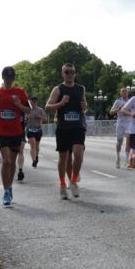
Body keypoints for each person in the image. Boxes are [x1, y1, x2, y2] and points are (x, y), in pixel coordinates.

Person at [45, 63, 87, 199]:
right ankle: (63, 184)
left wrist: (85, 106)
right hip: (63, 128)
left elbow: (84, 107)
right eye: (67, 72)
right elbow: (48, 107)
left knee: (78, 154)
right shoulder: (58, 89)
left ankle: (73, 181)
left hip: (78, 127)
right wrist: (61, 103)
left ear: (75, 73)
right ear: (62, 74)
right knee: (63, 158)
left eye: (72, 72)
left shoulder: (81, 89)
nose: (70, 74)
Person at [0, 66, 31, 206]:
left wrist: (19, 104)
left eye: (11, 78)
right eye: (7, 78)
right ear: (3, 78)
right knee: (6, 160)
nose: (9, 80)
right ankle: (6, 191)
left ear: (14, 79)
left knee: (12, 162)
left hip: (16, 131)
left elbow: (28, 110)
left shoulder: (20, 92)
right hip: (1, 131)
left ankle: (9, 186)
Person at [108, 86, 130, 168]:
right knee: (119, 141)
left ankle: (127, 160)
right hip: (120, 123)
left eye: (126, 91)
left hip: (129, 123)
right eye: (123, 91)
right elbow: (110, 112)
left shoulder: (130, 101)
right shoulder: (118, 101)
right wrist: (118, 109)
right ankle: (117, 157)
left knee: (129, 140)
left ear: (128, 93)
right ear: (120, 93)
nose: (124, 92)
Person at [25, 97, 46, 169]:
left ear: (36, 102)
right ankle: (34, 160)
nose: (32, 103)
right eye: (31, 102)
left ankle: (36, 157)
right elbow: (24, 120)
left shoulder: (40, 110)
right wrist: (26, 118)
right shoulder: (28, 110)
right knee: (32, 145)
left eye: (34, 102)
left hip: (38, 130)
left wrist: (39, 116)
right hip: (30, 130)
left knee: (36, 146)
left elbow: (45, 118)